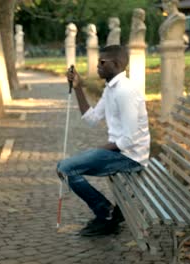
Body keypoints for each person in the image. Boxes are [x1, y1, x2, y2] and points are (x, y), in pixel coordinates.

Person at [56, 45, 150, 236]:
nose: (97, 65)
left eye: (102, 62)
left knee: (66, 168)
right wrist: (79, 88)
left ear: (115, 64)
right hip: (117, 152)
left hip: (130, 157)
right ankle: (106, 212)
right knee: (65, 168)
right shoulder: (111, 89)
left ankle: (105, 214)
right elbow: (91, 118)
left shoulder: (125, 91)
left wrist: (100, 150)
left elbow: (129, 139)